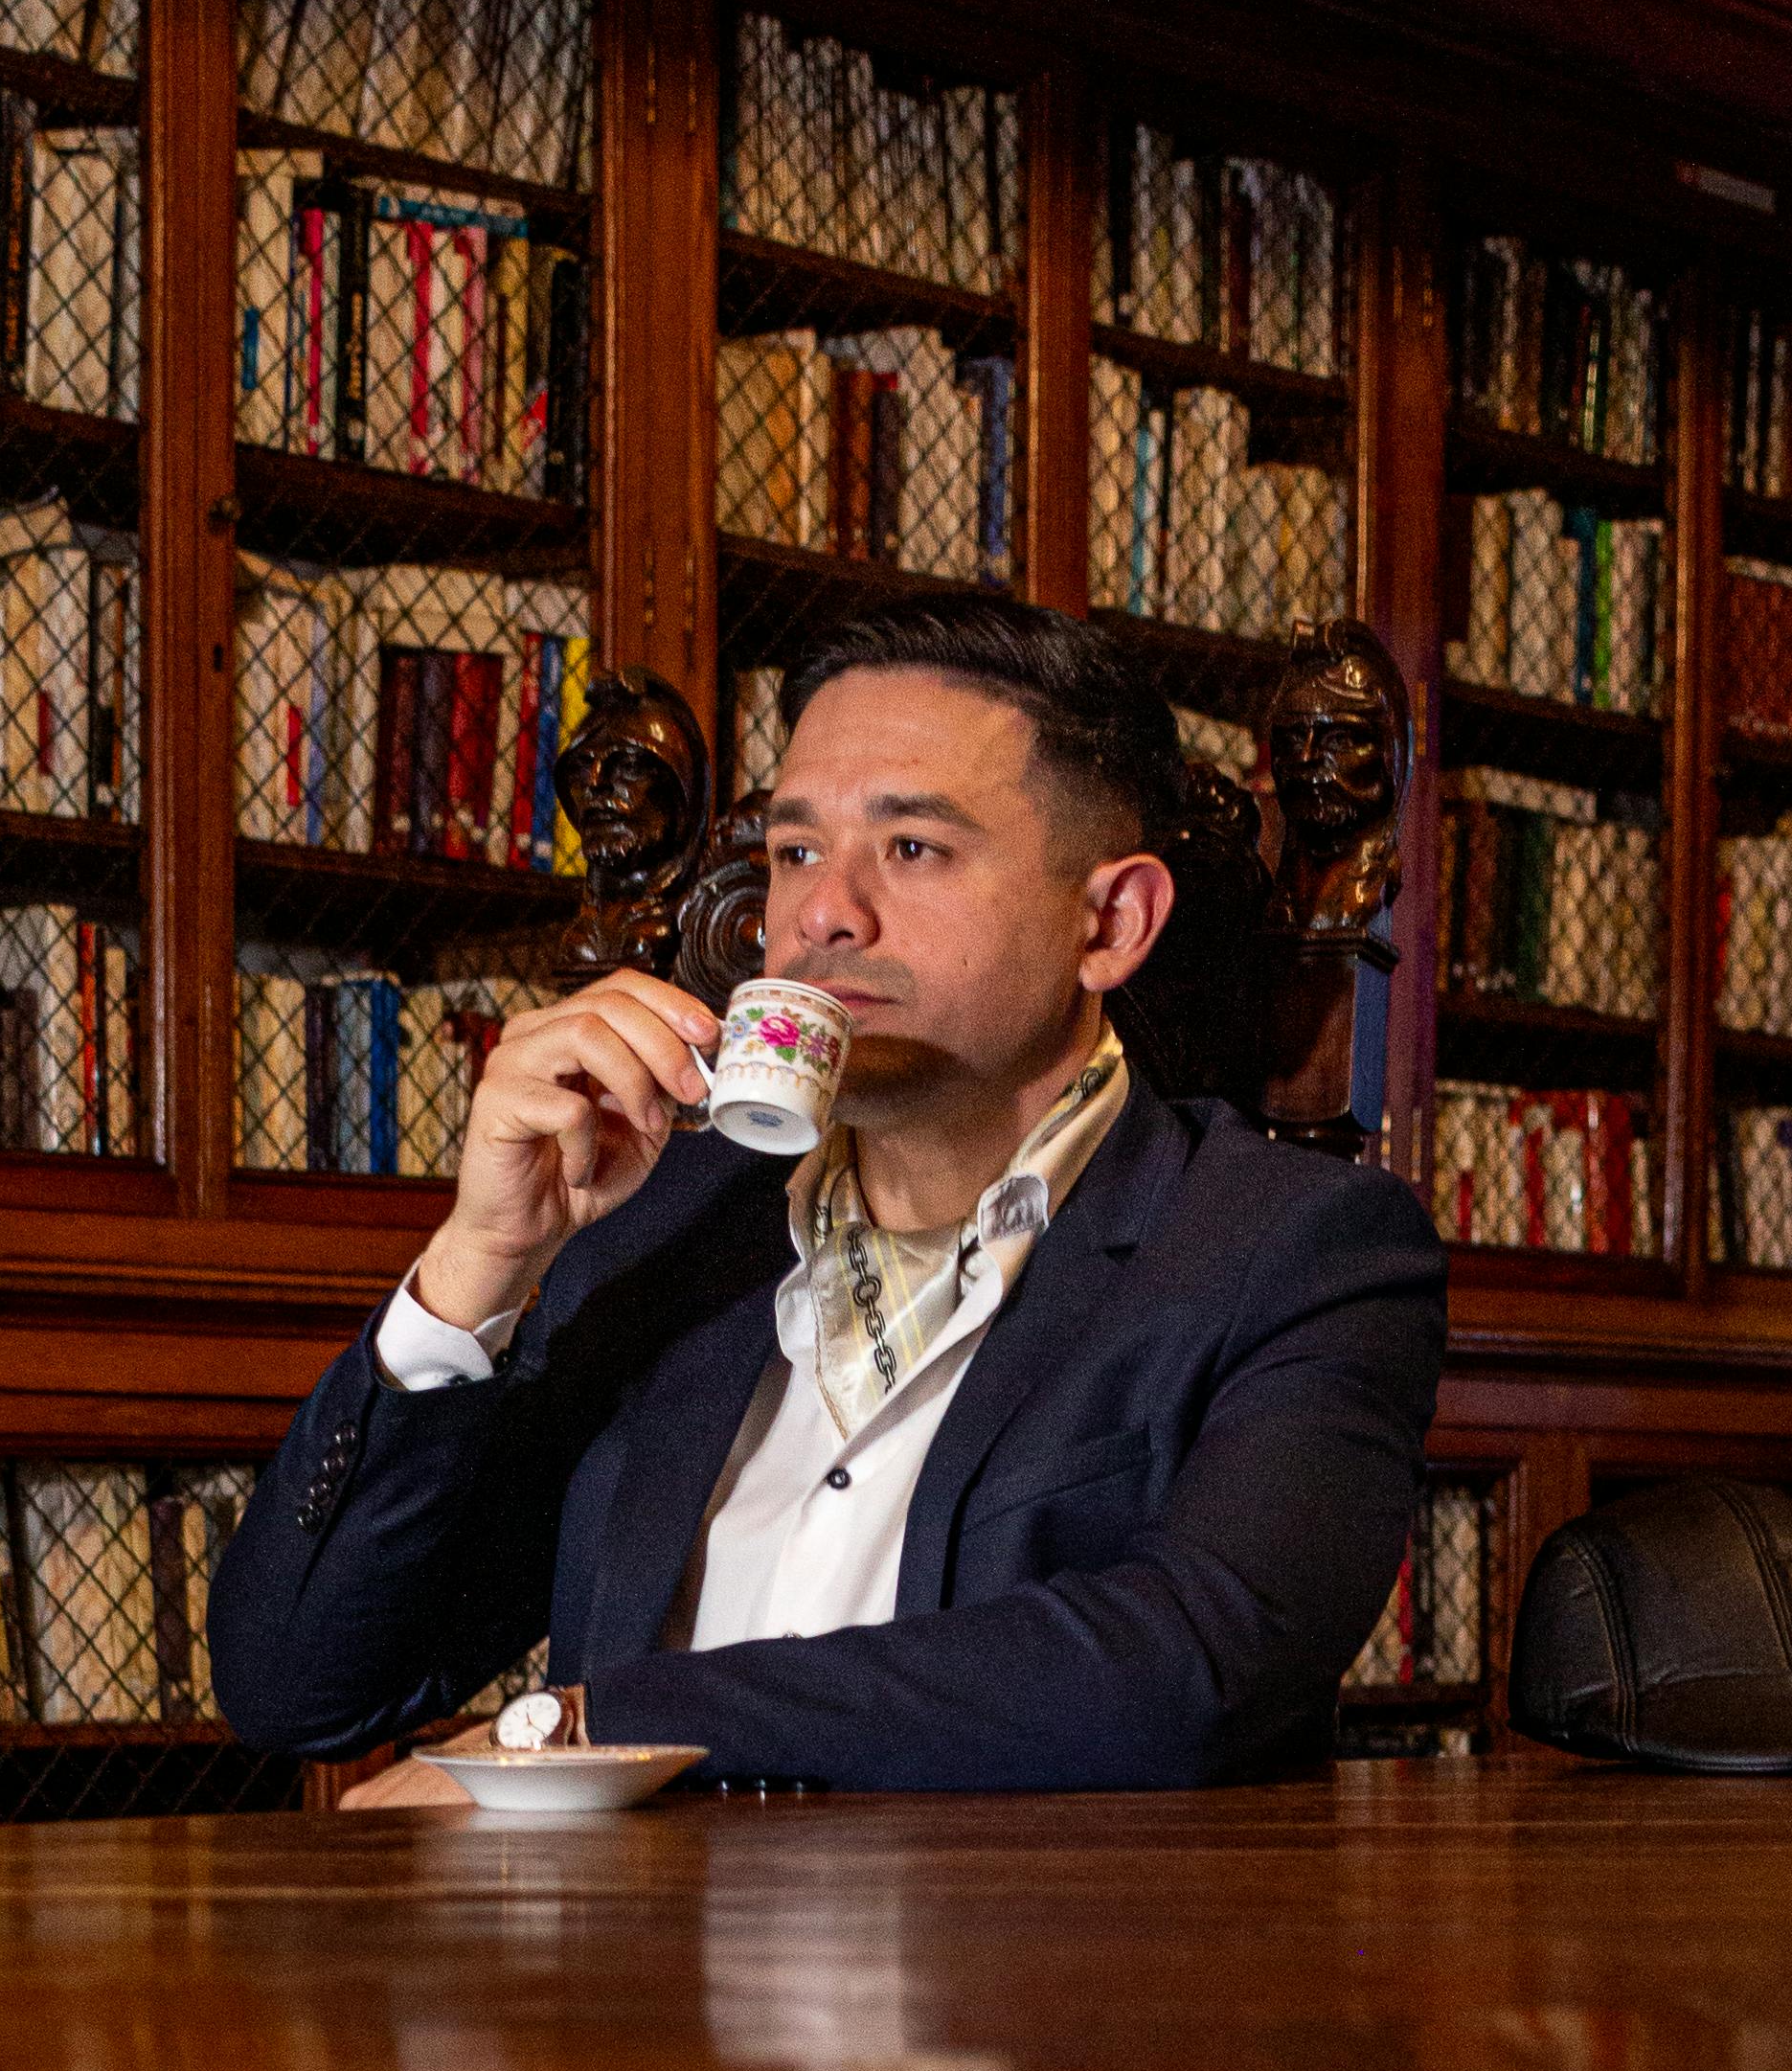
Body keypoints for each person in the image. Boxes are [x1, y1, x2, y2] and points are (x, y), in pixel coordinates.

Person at [207, 592, 1447, 1796]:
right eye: (795, 849)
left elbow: (1190, 1669)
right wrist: (476, 1264)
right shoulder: (665, 1223)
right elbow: (302, 1690)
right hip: (628, 1989)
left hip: (1028, 1995)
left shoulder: (1291, 1248)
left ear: (1110, 922)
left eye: (912, 848)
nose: (821, 913)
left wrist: (599, 1724)